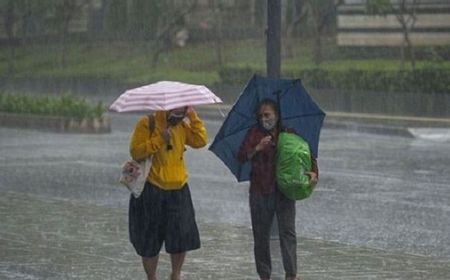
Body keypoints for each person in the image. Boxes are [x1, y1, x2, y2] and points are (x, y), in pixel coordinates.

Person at [238, 99, 318, 280]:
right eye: (261, 116)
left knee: (288, 233)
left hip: (284, 192)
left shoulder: (288, 134)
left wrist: (313, 173)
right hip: (260, 191)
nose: (264, 119)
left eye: (267, 115)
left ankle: (292, 274)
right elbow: (242, 156)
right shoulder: (254, 133)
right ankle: (264, 275)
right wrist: (257, 148)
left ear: (277, 115)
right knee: (261, 236)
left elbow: (306, 154)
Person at [128, 106, 207, 280]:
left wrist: (193, 117)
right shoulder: (147, 123)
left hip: (179, 189)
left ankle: (176, 274)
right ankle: (151, 276)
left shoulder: (182, 126)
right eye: (177, 111)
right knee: (149, 239)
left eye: (183, 110)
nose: (179, 115)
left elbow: (200, 141)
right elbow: (136, 151)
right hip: (152, 188)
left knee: (181, 237)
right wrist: (158, 140)